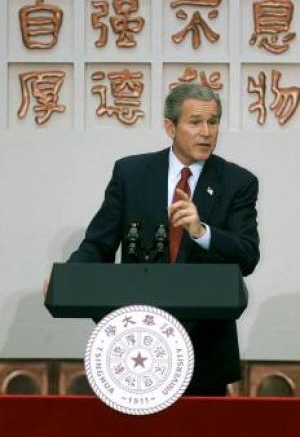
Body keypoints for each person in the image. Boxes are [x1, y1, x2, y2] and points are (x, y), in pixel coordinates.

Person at [64, 84, 260, 395]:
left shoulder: (238, 182)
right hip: (137, 342)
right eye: (195, 122)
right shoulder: (131, 173)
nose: (207, 132)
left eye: (214, 122)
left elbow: (248, 255)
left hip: (204, 348)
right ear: (170, 126)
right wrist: (68, 279)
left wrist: (202, 232)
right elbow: (98, 244)